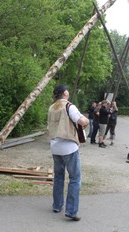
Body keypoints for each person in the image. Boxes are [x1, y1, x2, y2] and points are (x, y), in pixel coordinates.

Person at [47, 85, 89, 221]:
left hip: (55, 146)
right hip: (69, 146)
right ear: (65, 93)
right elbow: (81, 121)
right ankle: (71, 211)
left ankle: (57, 205)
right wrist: (87, 120)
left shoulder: (52, 107)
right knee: (75, 178)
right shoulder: (69, 106)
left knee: (58, 177)